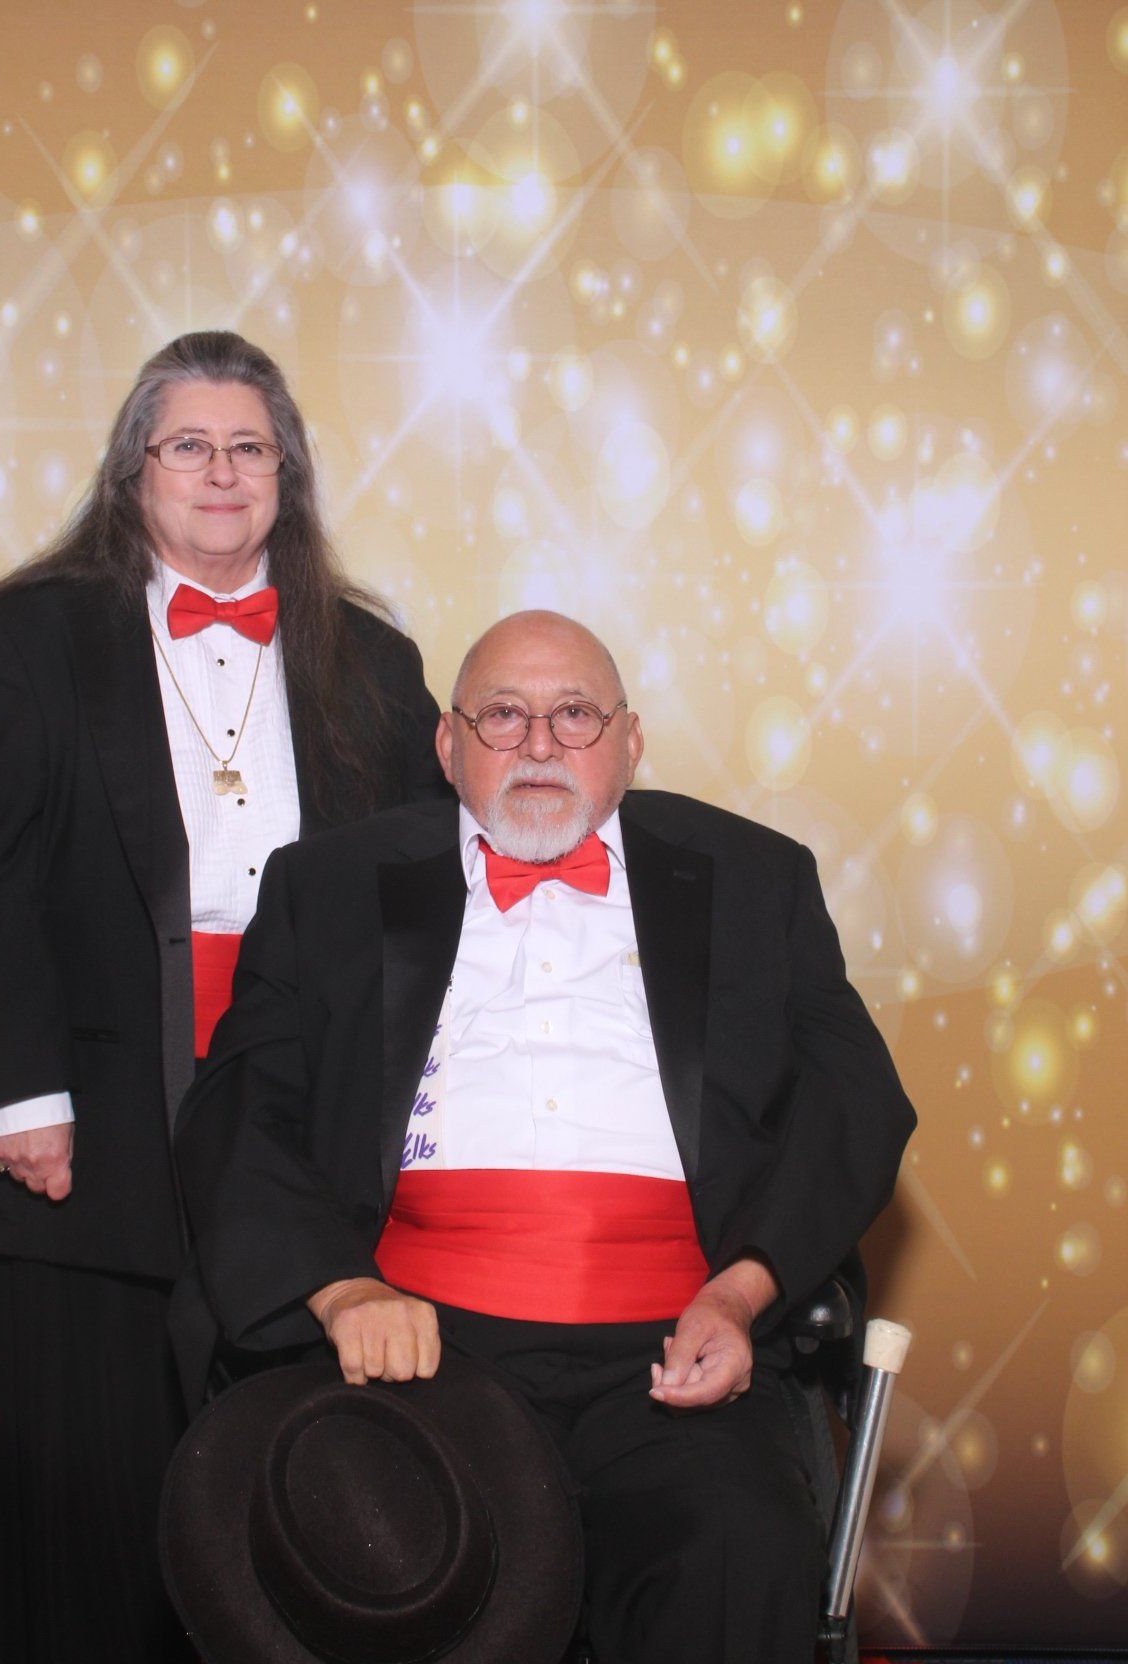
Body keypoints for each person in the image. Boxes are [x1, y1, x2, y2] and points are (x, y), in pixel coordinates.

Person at [175, 608, 917, 1664]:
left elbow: (856, 1097)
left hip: (679, 1340)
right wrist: (341, 1293)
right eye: (502, 716)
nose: (537, 746)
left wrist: (743, 1290)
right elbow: (236, 1107)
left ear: (630, 741)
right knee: (385, 1559)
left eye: (574, 715)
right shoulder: (326, 884)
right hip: (422, 1346)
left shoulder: (756, 876)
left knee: (737, 1546)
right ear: (447, 745)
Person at [0, 329, 446, 1663]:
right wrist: (19, 1096)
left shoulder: (374, 662)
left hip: (295, 1107)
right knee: (88, 1495)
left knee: (278, 1487)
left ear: (287, 475)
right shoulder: (25, 637)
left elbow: (421, 899)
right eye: (189, 446)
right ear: (134, 472)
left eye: (249, 448)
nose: (222, 473)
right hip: (86, 1115)